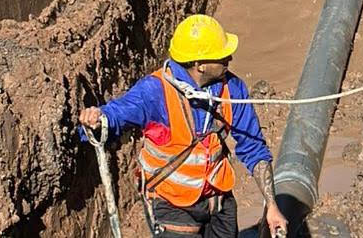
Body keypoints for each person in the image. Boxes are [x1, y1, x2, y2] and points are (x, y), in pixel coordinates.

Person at [78, 15, 289, 238]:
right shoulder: (155, 92)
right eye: (222, 56)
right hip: (172, 204)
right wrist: (97, 120)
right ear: (200, 65)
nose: (230, 58)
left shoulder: (232, 89)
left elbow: (254, 148)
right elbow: (117, 114)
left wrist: (272, 206)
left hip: (217, 200)